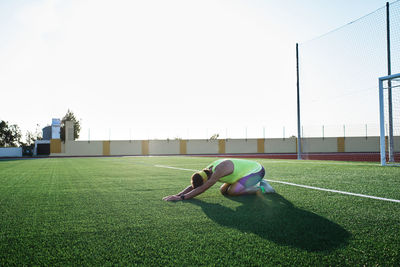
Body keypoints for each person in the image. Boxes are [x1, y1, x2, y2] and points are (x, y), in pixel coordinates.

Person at [163, 158, 275, 201]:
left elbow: (202, 189)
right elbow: (195, 186)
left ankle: (262, 188)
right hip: (241, 175)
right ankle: (256, 185)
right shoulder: (206, 172)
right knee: (223, 191)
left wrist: (182, 198)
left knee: (232, 191)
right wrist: (178, 194)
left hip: (257, 171)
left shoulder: (218, 170)